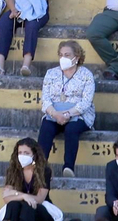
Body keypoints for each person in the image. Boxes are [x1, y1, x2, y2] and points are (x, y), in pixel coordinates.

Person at [36, 39, 95, 178]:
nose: (63, 58)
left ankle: (68, 167)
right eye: (61, 54)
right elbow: (45, 99)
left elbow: (86, 101)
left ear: (77, 57)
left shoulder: (86, 75)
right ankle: (40, 167)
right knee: (46, 127)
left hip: (78, 114)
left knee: (71, 129)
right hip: (54, 113)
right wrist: (55, 114)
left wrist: (68, 114)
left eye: (67, 55)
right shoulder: (51, 73)